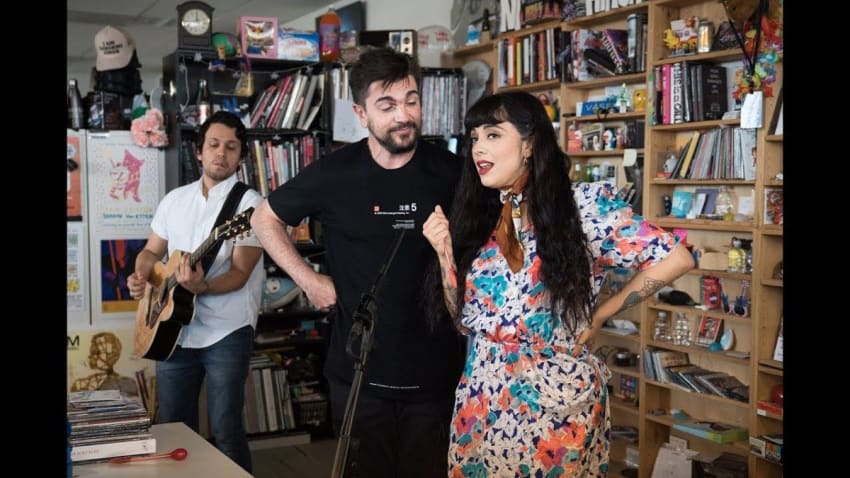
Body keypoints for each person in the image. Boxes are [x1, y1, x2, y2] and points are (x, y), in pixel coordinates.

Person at [422, 91, 694, 476]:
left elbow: (675, 258)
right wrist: (445, 254)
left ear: (530, 143)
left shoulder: (582, 207)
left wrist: (602, 314)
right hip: (482, 396)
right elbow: (465, 322)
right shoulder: (482, 217)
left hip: (551, 399)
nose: (478, 147)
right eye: (474, 138)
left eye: (493, 135)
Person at [250, 47, 464, 477]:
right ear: (361, 113)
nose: (403, 115)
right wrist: (307, 278)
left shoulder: (454, 172)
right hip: (359, 373)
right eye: (386, 105)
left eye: (411, 100)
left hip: (437, 373)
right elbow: (264, 218)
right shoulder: (334, 173)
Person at [127, 111, 263, 473]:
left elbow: (240, 273)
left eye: (231, 147)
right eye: (214, 145)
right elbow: (151, 252)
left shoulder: (250, 206)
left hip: (227, 331)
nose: (221, 153)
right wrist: (141, 275)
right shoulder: (175, 200)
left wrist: (202, 286)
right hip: (174, 332)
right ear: (199, 151)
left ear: (241, 156)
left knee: (226, 429)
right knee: (173, 427)